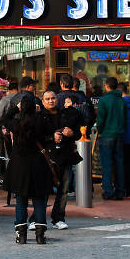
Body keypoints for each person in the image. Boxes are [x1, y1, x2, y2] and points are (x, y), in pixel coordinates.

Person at [1, 95, 55, 244]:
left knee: (21, 201)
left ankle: (21, 235)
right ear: (35, 108)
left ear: (22, 108)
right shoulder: (41, 121)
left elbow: (4, 119)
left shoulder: (17, 123)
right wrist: (41, 111)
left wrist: (15, 108)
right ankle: (39, 235)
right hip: (38, 164)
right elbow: (51, 128)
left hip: (19, 166)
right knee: (39, 200)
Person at [42, 90, 81, 230]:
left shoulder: (64, 114)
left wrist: (72, 133)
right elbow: (36, 135)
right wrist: (51, 137)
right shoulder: (40, 116)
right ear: (43, 101)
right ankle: (36, 218)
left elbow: (76, 131)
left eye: (53, 98)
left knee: (64, 189)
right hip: (46, 157)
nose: (51, 101)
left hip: (65, 155)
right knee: (43, 190)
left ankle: (58, 218)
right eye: (47, 99)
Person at [96, 77, 126, 200]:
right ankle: (120, 190)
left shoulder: (103, 100)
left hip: (107, 135)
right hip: (119, 134)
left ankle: (108, 190)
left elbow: (101, 120)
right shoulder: (122, 100)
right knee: (119, 163)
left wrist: (100, 130)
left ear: (107, 86)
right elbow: (125, 119)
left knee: (107, 163)